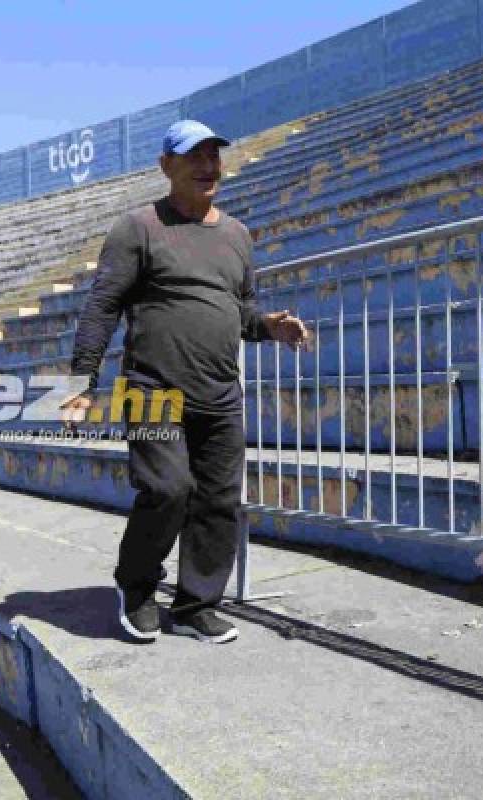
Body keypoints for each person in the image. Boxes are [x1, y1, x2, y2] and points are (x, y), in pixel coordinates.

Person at [61, 120, 310, 643]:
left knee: (218, 501)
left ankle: (197, 604)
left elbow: (238, 310)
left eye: (214, 155)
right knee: (167, 489)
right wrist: (84, 378)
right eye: (194, 156)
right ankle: (136, 585)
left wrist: (269, 327)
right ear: (166, 166)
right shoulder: (139, 228)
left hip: (220, 394)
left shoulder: (237, 235)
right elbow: (102, 305)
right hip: (153, 390)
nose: (208, 166)